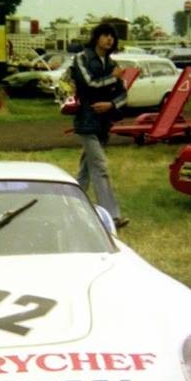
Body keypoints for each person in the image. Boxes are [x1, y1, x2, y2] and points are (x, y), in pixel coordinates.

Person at [70, 22, 129, 229]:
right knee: (100, 166)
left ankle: (70, 206)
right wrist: (110, 79)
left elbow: (123, 95)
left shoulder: (113, 64)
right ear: (96, 37)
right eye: (105, 35)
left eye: (112, 36)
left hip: (104, 123)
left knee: (86, 171)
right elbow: (88, 83)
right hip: (86, 121)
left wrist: (110, 104)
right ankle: (112, 217)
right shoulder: (82, 58)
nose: (109, 39)